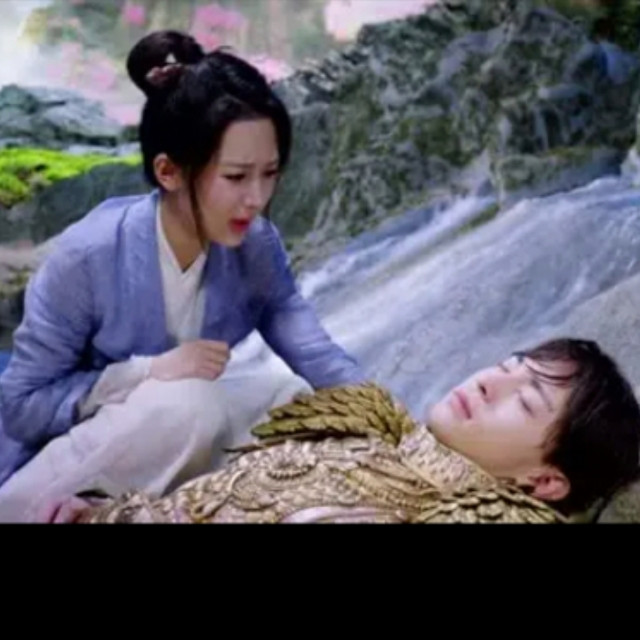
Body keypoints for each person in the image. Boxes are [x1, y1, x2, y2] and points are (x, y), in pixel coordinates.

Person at [0, 30, 364, 523]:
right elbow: (21, 406)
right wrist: (147, 372)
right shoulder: (88, 255)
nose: (257, 199)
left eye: (270, 173)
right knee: (192, 404)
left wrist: (390, 421)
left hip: (168, 438)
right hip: (45, 472)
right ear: (168, 172)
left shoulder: (256, 245)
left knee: (291, 402)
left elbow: (316, 354)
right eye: (236, 177)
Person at [57, 338, 640, 524]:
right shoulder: (367, 427)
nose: (491, 382)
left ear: (544, 482)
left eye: (525, 400)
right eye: (507, 367)